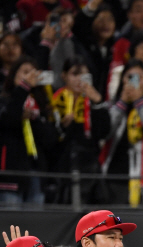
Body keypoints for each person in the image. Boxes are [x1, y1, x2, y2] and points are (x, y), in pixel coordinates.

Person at [0, 55, 58, 207]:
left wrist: (36, 118)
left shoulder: (42, 104)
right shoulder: (2, 100)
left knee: (33, 228)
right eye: (25, 72)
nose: (30, 77)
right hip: (9, 174)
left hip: (35, 173)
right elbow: (7, 119)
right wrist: (23, 89)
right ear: (13, 74)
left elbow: (50, 140)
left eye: (33, 73)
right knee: (9, 227)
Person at [101, 58, 143, 207]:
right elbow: (104, 133)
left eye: (140, 77)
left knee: (142, 227)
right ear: (122, 80)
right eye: (130, 77)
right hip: (113, 178)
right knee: (115, 228)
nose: (134, 81)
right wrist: (122, 103)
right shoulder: (112, 105)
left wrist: (140, 101)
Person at [51, 57, 111, 204]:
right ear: (63, 75)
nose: (79, 79)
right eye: (75, 74)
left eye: (84, 75)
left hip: (90, 168)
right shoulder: (55, 100)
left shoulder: (94, 102)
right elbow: (48, 139)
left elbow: (104, 132)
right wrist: (62, 127)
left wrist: (97, 103)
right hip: (63, 168)